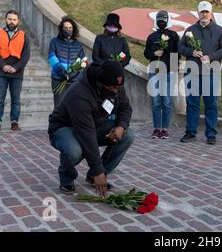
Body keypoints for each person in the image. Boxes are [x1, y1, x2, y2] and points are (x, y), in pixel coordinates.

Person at [48, 60, 134, 197]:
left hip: (92, 125)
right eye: (112, 88)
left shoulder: (116, 84)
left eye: (118, 87)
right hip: (64, 127)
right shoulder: (80, 94)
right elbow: (87, 136)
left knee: (127, 135)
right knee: (74, 151)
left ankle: (92, 177)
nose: (116, 91)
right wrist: (98, 170)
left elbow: (125, 108)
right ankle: (66, 177)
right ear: (100, 83)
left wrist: (121, 127)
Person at [178, 1, 222, 145]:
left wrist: (211, 56)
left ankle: (211, 134)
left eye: (206, 12)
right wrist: (191, 52)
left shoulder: (219, 30)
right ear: (198, 13)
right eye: (202, 12)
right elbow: (180, 48)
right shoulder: (190, 30)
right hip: (192, 73)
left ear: (211, 13)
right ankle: (190, 132)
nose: (204, 14)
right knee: (192, 104)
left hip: (211, 73)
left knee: (211, 104)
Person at [0, 10, 31, 133]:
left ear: (18, 21)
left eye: (14, 19)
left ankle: (14, 122)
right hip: (0, 72)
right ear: (5, 19)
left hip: (17, 72)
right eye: (9, 19)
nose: (11, 21)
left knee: (16, 100)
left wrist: (16, 67)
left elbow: (26, 55)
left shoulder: (24, 36)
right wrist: (3, 65)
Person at [144, 10, 180, 139]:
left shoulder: (174, 35)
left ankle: (164, 128)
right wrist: (154, 54)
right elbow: (146, 53)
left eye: (163, 19)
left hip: (169, 73)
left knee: (166, 101)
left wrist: (173, 70)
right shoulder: (152, 37)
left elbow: (178, 54)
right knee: (155, 102)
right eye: (159, 19)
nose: (161, 22)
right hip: (154, 72)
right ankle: (156, 128)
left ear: (168, 20)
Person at [48, 17, 85, 107]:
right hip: (58, 79)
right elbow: (52, 58)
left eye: (70, 28)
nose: (67, 30)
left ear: (73, 29)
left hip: (74, 80)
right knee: (59, 106)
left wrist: (72, 73)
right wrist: (63, 72)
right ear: (61, 29)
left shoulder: (78, 45)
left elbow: (83, 61)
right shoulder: (54, 41)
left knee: (73, 107)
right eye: (65, 28)